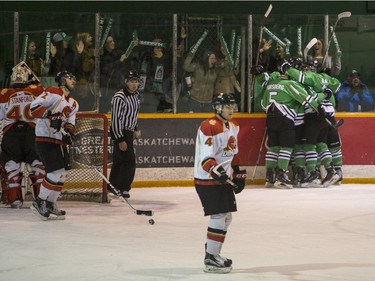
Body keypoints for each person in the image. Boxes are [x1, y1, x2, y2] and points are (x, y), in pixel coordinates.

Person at [194, 93, 247, 273]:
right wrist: (218, 172)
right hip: (207, 179)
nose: (231, 110)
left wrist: (238, 173)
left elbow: (233, 152)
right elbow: (206, 158)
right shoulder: (208, 126)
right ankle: (211, 257)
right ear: (218, 108)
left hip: (223, 178)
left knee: (226, 217)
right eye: (227, 106)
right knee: (219, 216)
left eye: (232, 106)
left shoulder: (233, 126)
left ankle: (212, 250)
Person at [29, 70, 79, 220]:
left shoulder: (73, 103)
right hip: (45, 138)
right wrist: (51, 116)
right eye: (71, 78)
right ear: (63, 80)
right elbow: (34, 107)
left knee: (63, 173)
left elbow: (70, 122)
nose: (74, 81)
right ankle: (39, 202)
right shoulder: (53, 92)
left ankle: (50, 203)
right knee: (54, 173)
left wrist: (69, 133)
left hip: (58, 141)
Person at [0, 61, 45, 208]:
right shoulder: (37, 90)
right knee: (38, 167)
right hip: (32, 133)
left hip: (11, 134)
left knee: (12, 168)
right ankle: (41, 200)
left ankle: (15, 201)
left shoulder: (4, 93)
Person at [109, 70, 141, 199]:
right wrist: (120, 138)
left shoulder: (136, 95)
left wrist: (134, 129)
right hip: (120, 132)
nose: (134, 84)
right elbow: (116, 119)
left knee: (120, 160)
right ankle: (123, 188)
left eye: (136, 81)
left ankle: (112, 186)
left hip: (128, 132)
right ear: (126, 82)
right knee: (129, 161)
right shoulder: (119, 97)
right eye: (131, 81)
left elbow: (134, 115)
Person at [100, 35, 129, 113]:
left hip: (119, 84)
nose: (113, 43)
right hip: (109, 87)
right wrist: (120, 61)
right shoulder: (103, 57)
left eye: (113, 41)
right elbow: (106, 69)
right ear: (105, 45)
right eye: (110, 42)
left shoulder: (118, 53)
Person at [72, 32, 96, 111]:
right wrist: (93, 58)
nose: (91, 38)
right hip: (82, 85)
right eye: (88, 36)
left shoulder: (89, 51)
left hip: (88, 85)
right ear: (83, 40)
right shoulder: (80, 53)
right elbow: (85, 68)